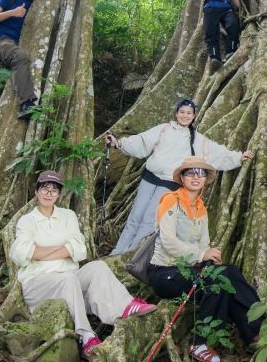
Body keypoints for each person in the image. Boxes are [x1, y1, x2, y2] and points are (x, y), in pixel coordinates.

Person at [11, 171, 156, 359]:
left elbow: (79, 249)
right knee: (68, 279)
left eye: (54, 190)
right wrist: (62, 249)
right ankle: (86, 336)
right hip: (37, 283)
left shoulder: (68, 216)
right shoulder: (26, 221)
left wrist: (40, 252)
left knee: (98, 267)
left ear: (59, 194)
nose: (49, 193)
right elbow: (22, 254)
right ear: (36, 192)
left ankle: (125, 306)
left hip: (68, 279)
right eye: (44, 188)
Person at [146, 157, 262, 362]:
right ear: (182, 177)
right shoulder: (171, 200)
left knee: (230, 272)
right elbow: (168, 242)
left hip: (190, 270)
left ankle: (257, 330)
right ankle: (199, 343)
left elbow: (204, 243)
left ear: (206, 178)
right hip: (164, 272)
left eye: (200, 173)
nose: (195, 177)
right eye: (190, 172)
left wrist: (209, 256)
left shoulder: (201, 208)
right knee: (216, 282)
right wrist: (201, 256)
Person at [106, 98, 252, 256]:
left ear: (194, 116)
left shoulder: (197, 139)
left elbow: (216, 153)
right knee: (135, 215)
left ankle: (131, 255)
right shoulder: (164, 129)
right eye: (182, 112)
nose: (185, 115)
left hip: (169, 183)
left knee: (149, 220)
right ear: (176, 114)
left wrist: (238, 157)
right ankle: (117, 252)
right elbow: (142, 141)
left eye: (189, 113)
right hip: (149, 177)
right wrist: (119, 143)